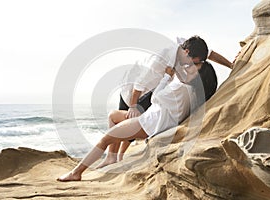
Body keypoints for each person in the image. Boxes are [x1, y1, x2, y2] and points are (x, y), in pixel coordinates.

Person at [57, 38, 218, 182]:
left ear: (198, 78)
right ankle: (112, 158)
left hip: (149, 123)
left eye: (193, 68)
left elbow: (156, 98)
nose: (188, 67)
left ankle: (76, 172)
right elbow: (206, 53)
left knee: (105, 139)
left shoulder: (181, 87)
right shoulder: (191, 91)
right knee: (113, 116)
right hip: (154, 118)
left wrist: (167, 78)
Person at [96, 36, 232, 168]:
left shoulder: (190, 48)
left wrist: (232, 66)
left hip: (155, 92)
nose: (194, 65)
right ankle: (113, 157)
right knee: (125, 121)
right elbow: (139, 85)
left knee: (129, 127)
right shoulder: (161, 60)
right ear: (187, 53)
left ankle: (118, 157)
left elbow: (211, 54)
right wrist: (133, 105)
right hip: (134, 91)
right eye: (195, 62)